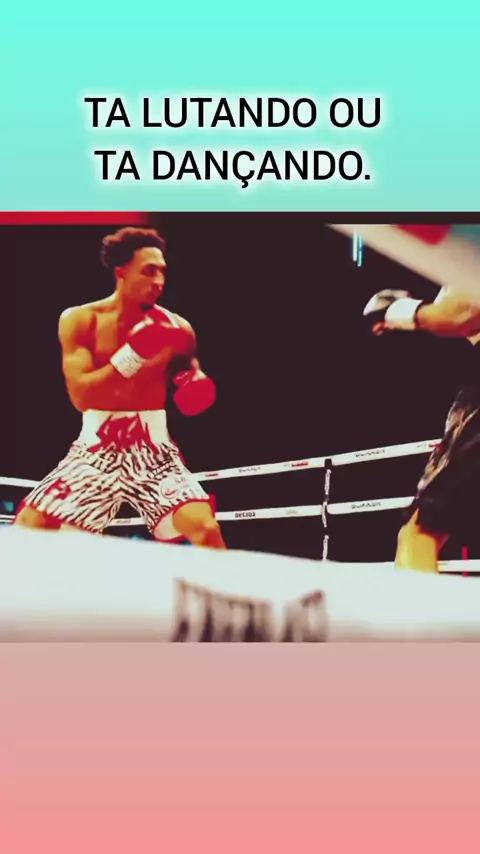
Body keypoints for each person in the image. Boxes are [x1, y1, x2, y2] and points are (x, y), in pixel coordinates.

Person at [15, 227, 226, 549]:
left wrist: (194, 385)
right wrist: (133, 354)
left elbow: (189, 384)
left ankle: (221, 584)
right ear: (121, 271)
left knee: (205, 528)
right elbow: (81, 396)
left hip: (154, 452)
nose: (159, 281)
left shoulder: (179, 328)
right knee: (30, 526)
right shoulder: (81, 320)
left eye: (163, 271)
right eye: (149, 271)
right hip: (95, 450)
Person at [363, 285, 480, 572]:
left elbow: (466, 313)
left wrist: (398, 311)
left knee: (422, 530)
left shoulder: (465, 259)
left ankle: (417, 605)